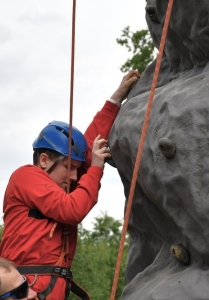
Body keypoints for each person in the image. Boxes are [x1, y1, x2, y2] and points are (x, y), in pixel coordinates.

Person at [0, 70, 140, 300]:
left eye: (76, 169)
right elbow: (71, 210)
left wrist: (115, 100)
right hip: (24, 287)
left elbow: (86, 147)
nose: (75, 176)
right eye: (69, 167)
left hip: (50, 286)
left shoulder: (59, 184)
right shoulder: (25, 176)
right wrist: (96, 167)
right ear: (44, 160)